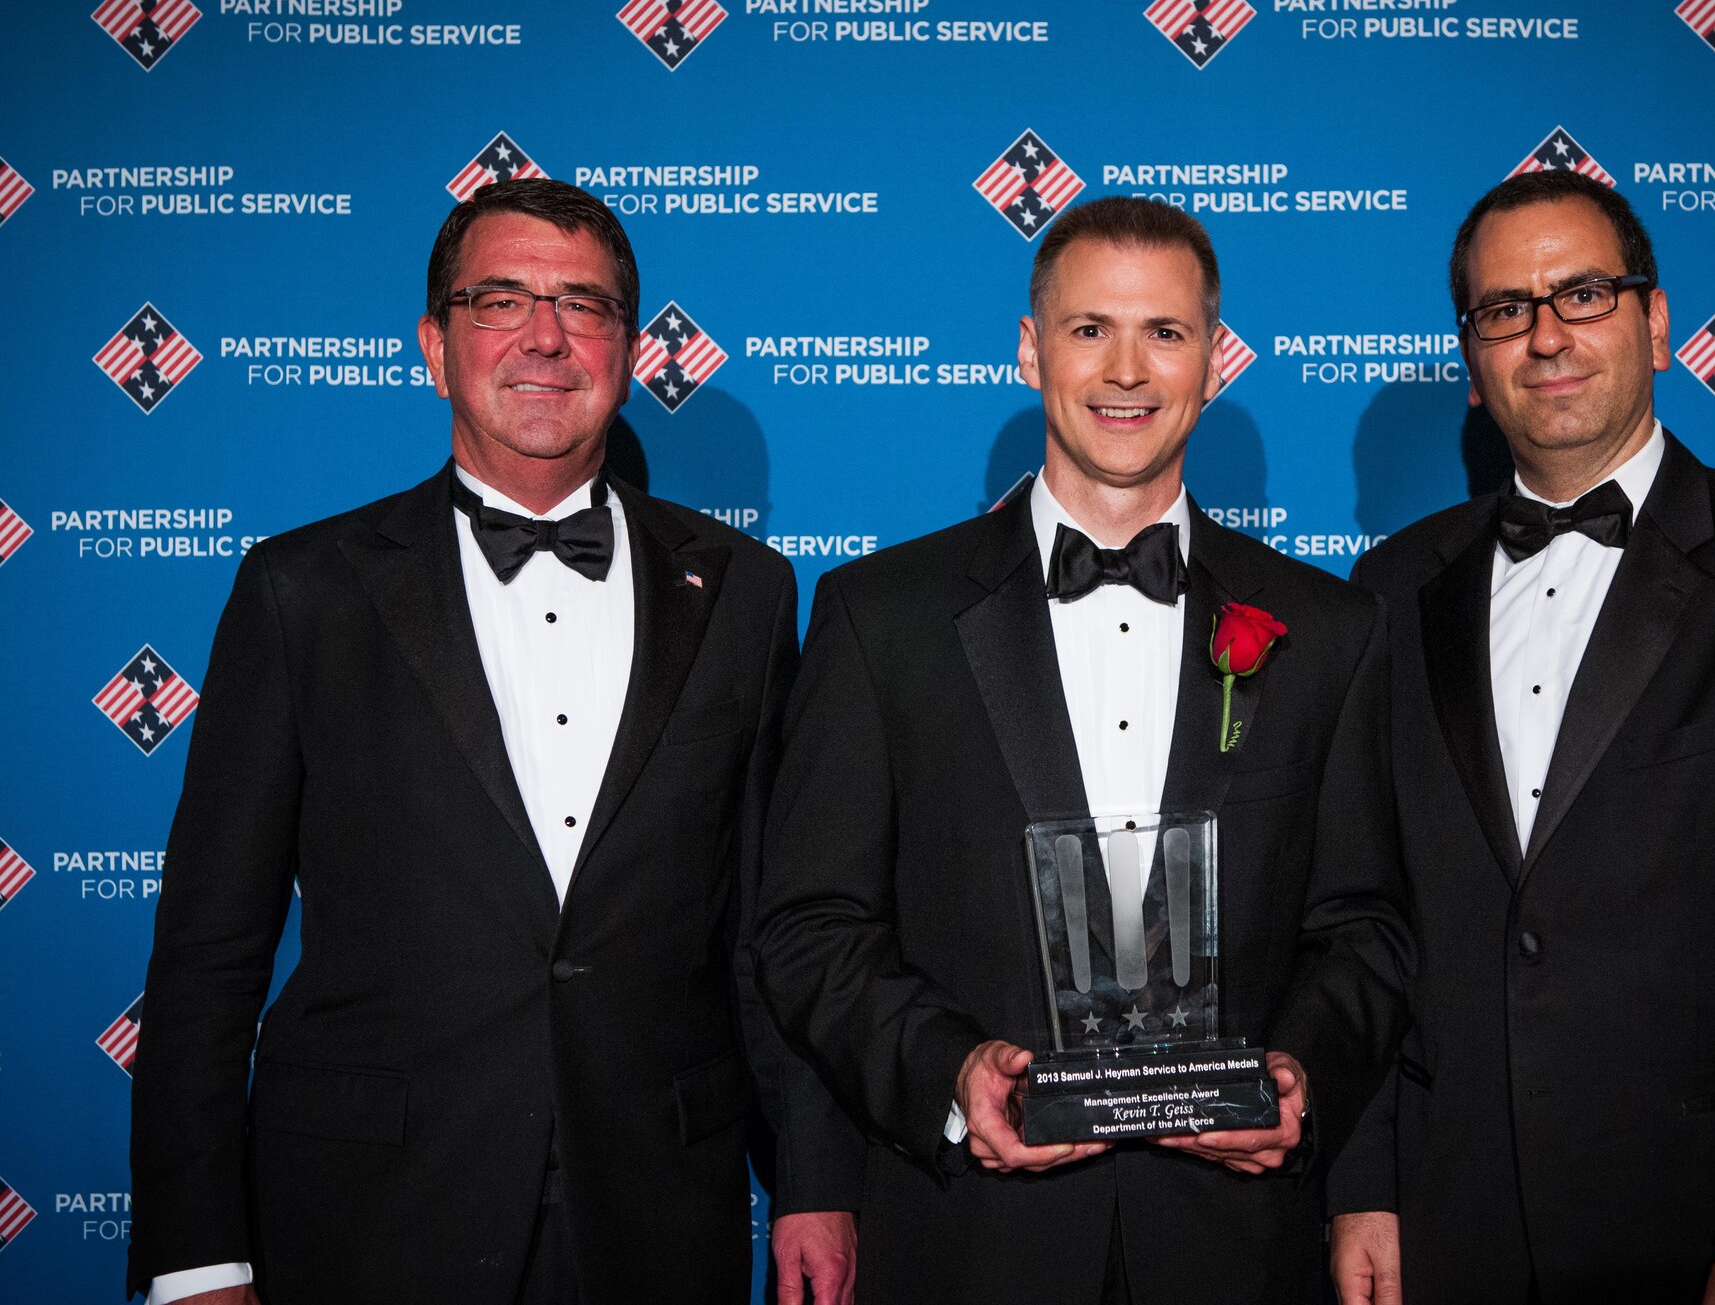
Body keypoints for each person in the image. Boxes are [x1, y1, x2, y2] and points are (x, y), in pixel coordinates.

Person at [127, 179, 858, 1305]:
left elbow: (765, 922)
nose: (546, 337)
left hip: (656, 1204)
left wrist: (811, 1178)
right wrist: (194, 1254)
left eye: (585, 305)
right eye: (500, 298)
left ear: (626, 346)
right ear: (434, 342)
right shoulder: (302, 590)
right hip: (368, 1204)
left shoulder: (746, 591)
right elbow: (207, 951)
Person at [753, 196, 1411, 1304]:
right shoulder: (881, 616)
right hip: (972, 1236)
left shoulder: (1327, 628)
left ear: (1213, 360)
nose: (1126, 370)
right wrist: (953, 1072)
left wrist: (1295, 1072)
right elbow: (810, 926)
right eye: (1087, 327)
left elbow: (1365, 925)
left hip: (1237, 1241)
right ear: (1027, 348)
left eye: (1164, 332)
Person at [1327, 169, 1715, 1305]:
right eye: (1504, 308)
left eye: (1583, 293)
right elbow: (1365, 914)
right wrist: (1364, 1181)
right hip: (1448, 1219)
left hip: (1702, 1227)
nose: (1546, 335)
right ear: (1470, 354)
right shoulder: (1390, 586)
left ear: (1656, 323)